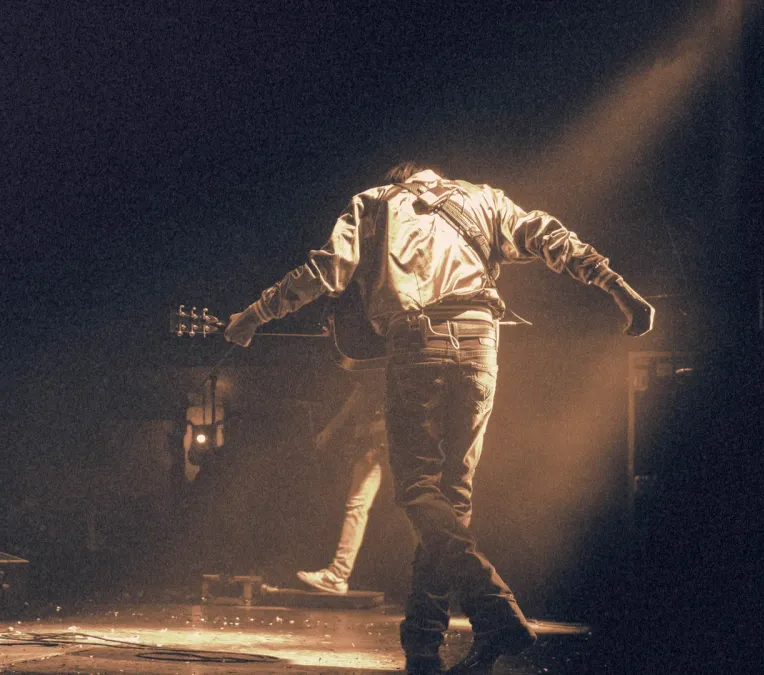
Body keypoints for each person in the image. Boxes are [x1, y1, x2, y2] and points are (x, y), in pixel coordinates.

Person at [225, 162, 653, 675]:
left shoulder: (375, 202)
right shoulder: (484, 198)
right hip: (482, 343)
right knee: (451, 503)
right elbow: (548, 235)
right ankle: (423, 645)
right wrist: (618, 288)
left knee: (417, 490)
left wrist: (255, 315)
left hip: (418, 343)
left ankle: (493, 609)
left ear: (399, 177)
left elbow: (326, 271)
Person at [296, 375, 387, 595]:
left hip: (380, 443)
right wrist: (329, 431)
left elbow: (360, 402)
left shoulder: (378, 372)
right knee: (362, 506)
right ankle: (337, 575)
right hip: (377, 442)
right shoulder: (370, 377)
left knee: (358, 506)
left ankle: (337, 575)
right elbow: (355, 401)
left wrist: (330, 432)